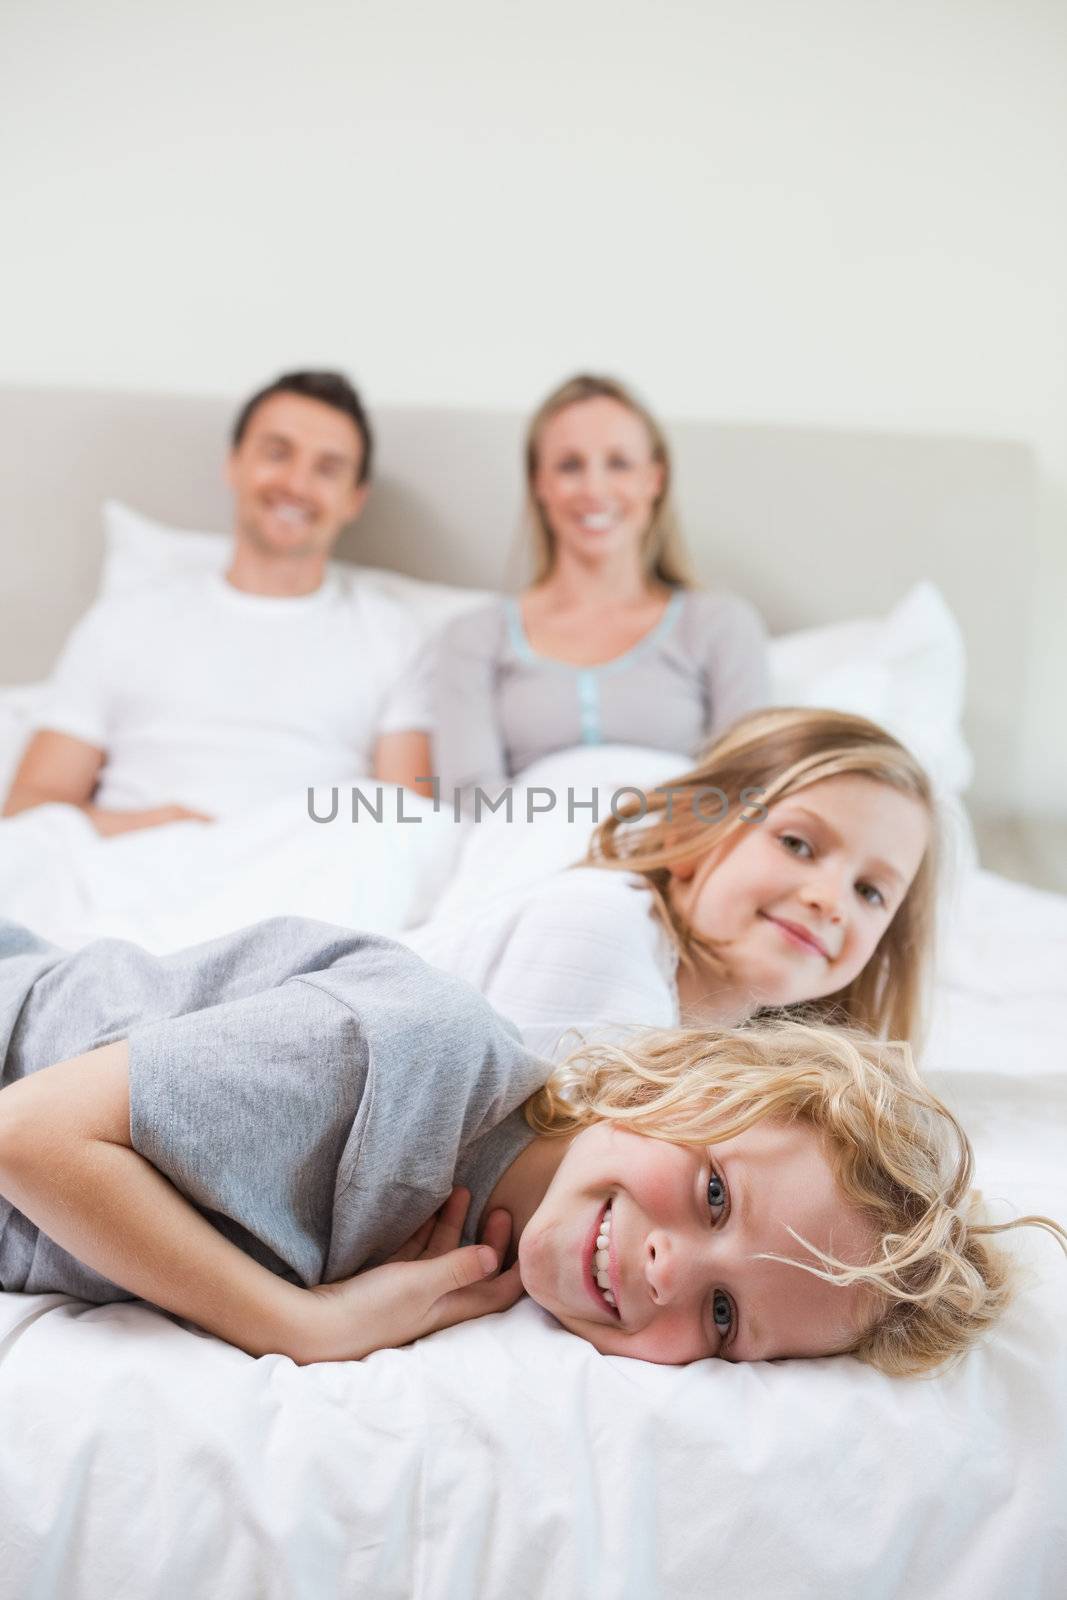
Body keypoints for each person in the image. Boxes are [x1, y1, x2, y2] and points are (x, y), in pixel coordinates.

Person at [0, 917, 1061, 1373]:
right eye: (712, 1198)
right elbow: (28, 1134)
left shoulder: (491, 1265)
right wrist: (298, 1326)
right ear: (682, 1082)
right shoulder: (404, 1058)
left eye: (724, 1315)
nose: (667, 1269)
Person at [2, 371, 432, 835]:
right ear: (234, 464)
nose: (297, 483)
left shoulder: (394, 635)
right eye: (277, 453)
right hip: (127, 865)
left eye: (327, 469)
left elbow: (406, 822)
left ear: (355, 499)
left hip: (300, 873)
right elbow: (28, 811)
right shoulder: (127, 620)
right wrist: (156, 826)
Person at [406, 708, 936, 1058]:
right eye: (797, 844)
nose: (831, 901)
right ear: (690, 828)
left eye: (869, 891)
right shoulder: (599, 927)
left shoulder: (735, 1060)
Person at [429, 374, 768, 809]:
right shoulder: (474, 637)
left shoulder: (720, 625)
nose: (594, 489)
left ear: (654, 479)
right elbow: (468, 798)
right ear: (540, 484)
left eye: (619, 463)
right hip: (523, 861)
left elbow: (746, 786)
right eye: (570, 465)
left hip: (671, 862)